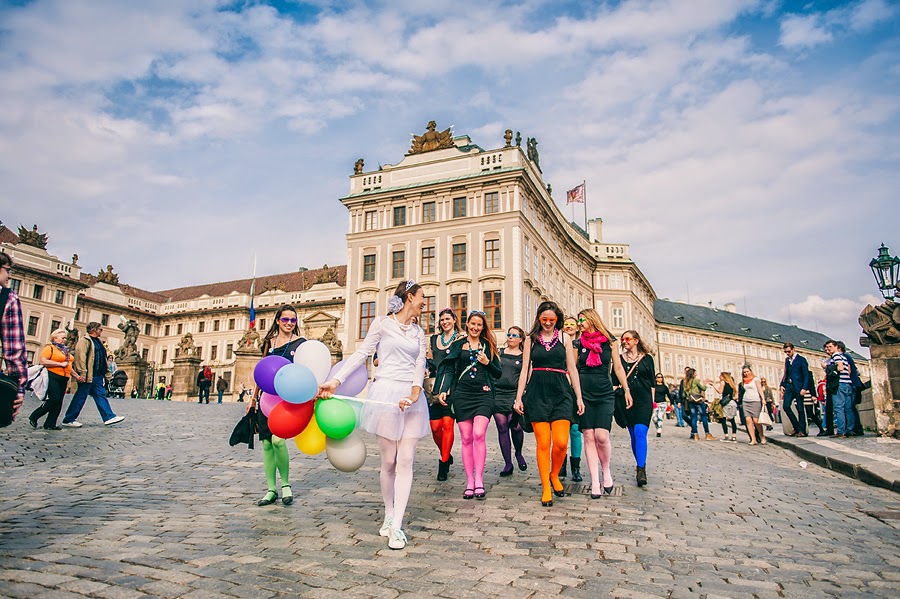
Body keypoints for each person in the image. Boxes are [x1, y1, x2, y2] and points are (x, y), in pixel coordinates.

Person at [318, 280, 429, 550]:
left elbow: (420, 363)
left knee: (406, 459)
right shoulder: (382, 323)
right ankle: (389, 514)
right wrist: (336, 381)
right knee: (389, 462)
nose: (424, 302)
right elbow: (362, 354)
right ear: (409, 297)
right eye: (422, 297)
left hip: (411, 398)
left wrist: (415, 394)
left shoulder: (419, 332)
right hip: (385, 394)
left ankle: (398, 526)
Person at [514, 301, 585, 507]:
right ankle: (546, 485)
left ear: (557, 320)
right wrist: (519, 397)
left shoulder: (565, 337)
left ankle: (555, 474)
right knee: (543, 443)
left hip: (561, 390)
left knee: (562, 442)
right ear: (538, 318)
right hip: (537, 390)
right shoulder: (530, 339)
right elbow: (525, 369)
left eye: (551, 320)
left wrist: (579, 397)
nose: (547, 323)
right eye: (544, 319)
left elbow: (572, 368)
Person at [436, 310, 502, 500]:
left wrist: (487, 362)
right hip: (462, 395)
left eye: (479, 325)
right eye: (473, 324)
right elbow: (449, 369)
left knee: (479, 434)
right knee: (466, 438)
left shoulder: (488, 346)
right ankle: (470, 482)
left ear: (483, 327)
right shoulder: (458, 345)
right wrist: (444, 389)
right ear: (467, 325)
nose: (475, 327)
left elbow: (497, 373)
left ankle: (479, 480)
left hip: (484, 394)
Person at [248, 305, 306, 507]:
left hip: (286, 400)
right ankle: (271, 489)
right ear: (277, 321)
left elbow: (305, 371)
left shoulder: (300, 344)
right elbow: (260, 373)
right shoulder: (268, 343)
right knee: (266, 444)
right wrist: (253, 398)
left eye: (293, 320)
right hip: (266, 399)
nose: (289, 323)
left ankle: (286, 485)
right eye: (285, 320)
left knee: (279, 441)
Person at [62, 322, 125, 427]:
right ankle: (69, 419)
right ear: (94, 330)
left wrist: (107, 374)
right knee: (80, 397)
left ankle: (108, 417)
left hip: (98, 376)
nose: (101, 331)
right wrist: (82, 373)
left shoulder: (99, 341)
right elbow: (80, 358)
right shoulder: (84, 341)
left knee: (101, 395)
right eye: (100, 329)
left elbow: (104, 359)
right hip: (88, 375)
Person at [427, 308, 460, 481]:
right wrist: (426, 368)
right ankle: (445, 452)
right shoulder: (433, 340)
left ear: (454, 320)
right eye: (442, 320)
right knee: (434, 428)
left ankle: (444, 463)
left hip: (452, 387)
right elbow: (431, 362)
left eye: (448, 318)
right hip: (435, 387)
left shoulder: (460, 339)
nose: (444, 322)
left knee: (447, 425)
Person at [618, 329, 655, 487]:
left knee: (641, 432)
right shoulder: (620, 359)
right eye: (622, 340)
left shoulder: (647, 359)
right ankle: (640, 462)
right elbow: (614, 381)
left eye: (627, 339)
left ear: (636, 341)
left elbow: (652, 382)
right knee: (633, 435)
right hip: (627, 401)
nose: (625, 342)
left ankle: (641, 470)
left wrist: (652, 403)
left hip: (644, 401)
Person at [492, 326, 527, 476]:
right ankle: (508, 463)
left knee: (517, 426)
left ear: (521, 339)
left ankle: (518, 453)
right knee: (502, 426)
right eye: (509, 334)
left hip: (514, 394)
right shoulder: (499, 353)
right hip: (498, 394)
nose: (511, 337)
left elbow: (526, 376)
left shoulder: (524, 356)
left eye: (514, 335)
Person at [0, 252, 26, 424]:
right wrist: (19, 389)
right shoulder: (7, 299)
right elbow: (14, 350)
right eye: (7, 270)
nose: (10, 275)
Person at [29, 328, 73, 430]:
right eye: (62, 338)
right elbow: (43, 361)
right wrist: (59, 364)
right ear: (55, 338)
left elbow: (69, 365)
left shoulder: (65, 350)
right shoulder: (49, 348)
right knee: (54, 399)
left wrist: (76, 376)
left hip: (64, 378)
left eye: (65, 338)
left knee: (59, 402)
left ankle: (50, 423)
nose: (65, 340)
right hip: (52, 375)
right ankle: (35, 415)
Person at [558, 315, 583, 482]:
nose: (568, 326)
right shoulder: (559, 345)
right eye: (566, 324)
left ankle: (576, 467)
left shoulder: (583, 345)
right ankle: (561, 464)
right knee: (560, 429)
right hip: (561, 387)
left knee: (575, 430)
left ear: (577, 327)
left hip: (579, 389)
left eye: (572, 324)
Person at [823, 340, 859, 438]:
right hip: (848, 384)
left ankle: (841, 431)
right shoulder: (844, 356)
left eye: (829, 347)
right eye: (826, 347)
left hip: (839, 384)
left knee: (839, 408)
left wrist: (827, 366)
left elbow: (840, 368)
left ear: (835, 347)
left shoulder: (836, 356)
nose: (827, 349)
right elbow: (849, 370)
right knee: (848, 409)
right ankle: (850, 430)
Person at [779, 342, 813, 437]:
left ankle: (802, 430)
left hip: (798, 387)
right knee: (786, 406)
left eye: (789, 351)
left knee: (800, 409)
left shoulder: (801, 360)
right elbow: (786, 373)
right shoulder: (787, 360)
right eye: (785, 352)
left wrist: (804, 388)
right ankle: (796, 426)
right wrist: (782, 385)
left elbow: (806, 375)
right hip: (789, 386)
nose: (787, 353)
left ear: (793, 349)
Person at [739, 365, 766, 445]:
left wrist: (763, 399)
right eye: (744, 372)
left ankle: (762, 436)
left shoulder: (756, 379)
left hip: (755, 401)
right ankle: (753, 439)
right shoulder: (744, 381)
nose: (746, 373)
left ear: (751, 371)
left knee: (756, 421)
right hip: (746, 401)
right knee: (748, 420)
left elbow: (760, 389)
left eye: (747, 371)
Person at [684, 367, 713, 440]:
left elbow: (685, 394)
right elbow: (703, 388)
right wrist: (705, 384)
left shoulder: (686, 382)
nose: (696, 373)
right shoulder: (695, 380)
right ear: (693, 374)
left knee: (694, 418)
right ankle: (707, 434)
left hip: (691, 401)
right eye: (695, 372)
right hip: (698, 401)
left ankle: (695, 434)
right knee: (704, 416)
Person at [708, 372, 738, 443]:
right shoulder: (731, 383)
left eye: (720, 375)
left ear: (723, 376)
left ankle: (726, 436)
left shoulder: (722, 382)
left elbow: (720, 392)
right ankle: (734, 437)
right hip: (732, 402)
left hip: (726, 403)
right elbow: (735, 394)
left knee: (723, 419)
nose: (719, 377)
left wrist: (713, 385)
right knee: (732, 420)